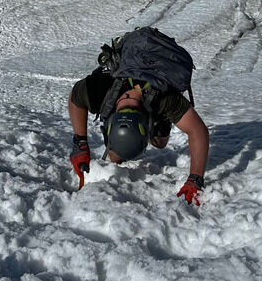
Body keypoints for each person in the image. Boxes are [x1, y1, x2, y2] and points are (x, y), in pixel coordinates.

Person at [68, 53, 210, 206]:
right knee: (116, 155)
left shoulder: (167, 99)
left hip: (157, 92)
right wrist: (80, 143)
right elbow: (75, 97)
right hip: (126, 75)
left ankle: (159, 124)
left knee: (160, 142)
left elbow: (198, 131)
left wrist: (195, 179)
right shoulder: (99, 89)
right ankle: (117, 150)